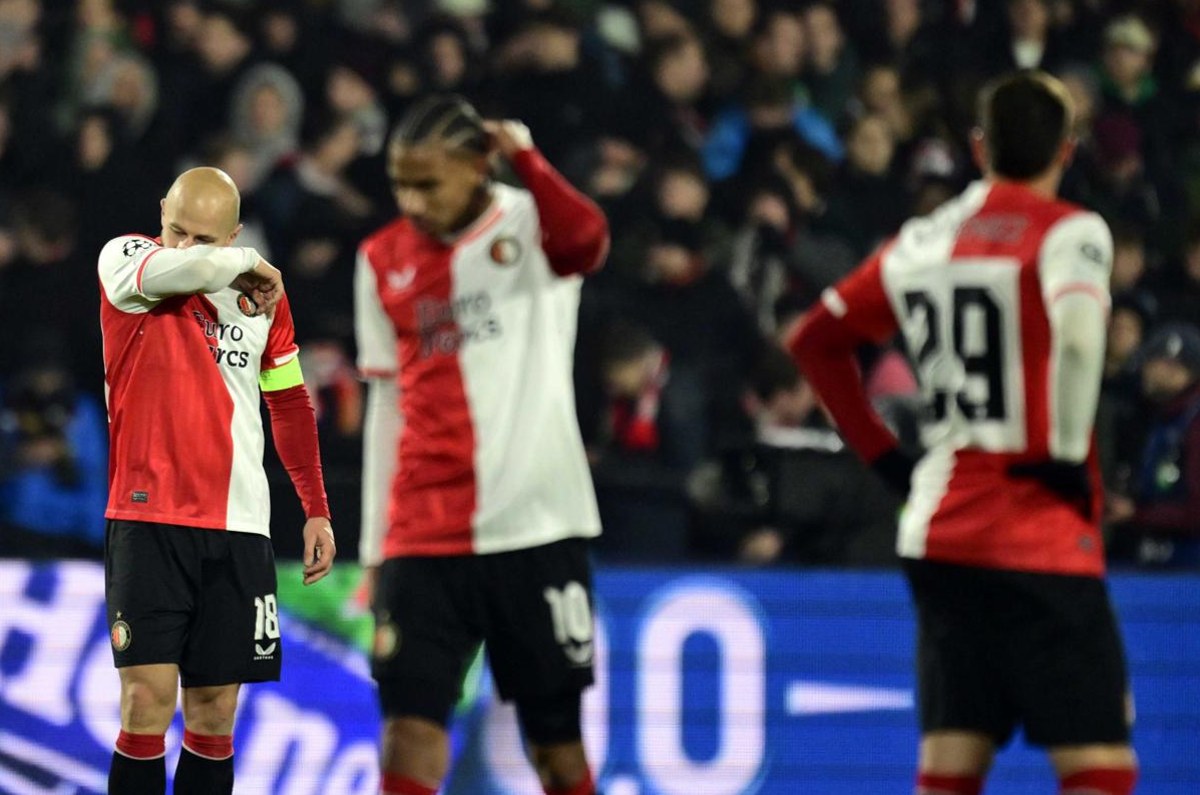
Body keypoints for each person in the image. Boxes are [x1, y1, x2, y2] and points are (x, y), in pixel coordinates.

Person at [788, 71, 1137, 795]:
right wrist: (1066, 456)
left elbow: (813, 342)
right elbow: (1077, 339)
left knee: (953, 759)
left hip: (939, 531)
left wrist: (883, 455)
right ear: (1066, 152)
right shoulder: (1070, 230)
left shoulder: (919, 241)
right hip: (1038, 527)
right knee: (1101, 763)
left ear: (980, 148)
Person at [355, 95, 608, 795]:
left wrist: (527, 155)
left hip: (535, 526)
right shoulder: (380, 258)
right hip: (423, 538)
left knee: (556, 747)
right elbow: (386, 403)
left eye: (427, 183)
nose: (410, 200)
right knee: (407, 734)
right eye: (399, 182)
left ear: (476, 166)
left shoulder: (533, 227)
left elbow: (588, 241)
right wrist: (377, 548)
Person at [97, 166, 336, 795]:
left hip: (237, 528)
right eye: (176, 229)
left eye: (205, 238)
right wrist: (245, 260)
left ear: (231, 233)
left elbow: (287, 404)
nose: (184, 247)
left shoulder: (262, 303)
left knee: (213, 713)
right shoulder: (128, 262)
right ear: (160, 214)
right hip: (147, 522)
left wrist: (315, 507)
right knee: (145, 702)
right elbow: (183, 268)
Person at [1107, 322, 1200, 566]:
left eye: (1173, 367)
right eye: (1156, 362)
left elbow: (1196, 512)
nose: (1159, 372)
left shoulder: (1194, 421)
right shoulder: (1159, 415)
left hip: (1188, 569)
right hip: (1158, 559)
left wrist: (1135, 513)